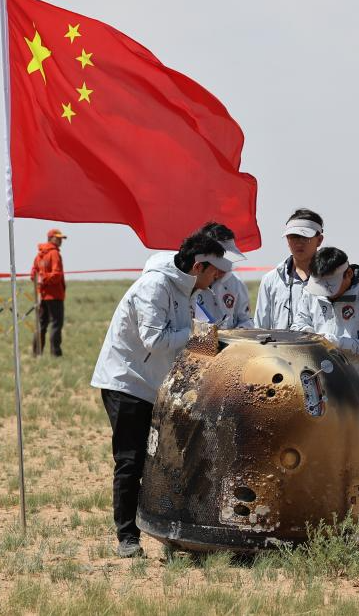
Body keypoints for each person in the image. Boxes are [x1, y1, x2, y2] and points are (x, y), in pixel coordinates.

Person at [91, 233, 230, 558]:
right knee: (131, 460)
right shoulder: (154, 287)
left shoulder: (189, 290)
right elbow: (154, 339)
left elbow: (191, 340)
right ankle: (128, 537)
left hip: (158, 385)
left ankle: (170, 532)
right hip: (126, 382)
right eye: (213, 273)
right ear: (198, 266)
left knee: (165, 460)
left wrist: (214, 341)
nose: (215, 281)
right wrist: (205, 336)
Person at [292, 247, 359, 431]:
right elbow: (298, 324)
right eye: (321, 285)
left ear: (348, 274)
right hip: (317, 393)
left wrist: (339, 344)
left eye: (330, 285)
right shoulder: (311, 293)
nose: (326, 292)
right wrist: (309, 335)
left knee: (357, 458)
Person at [253, 209, 324, 329]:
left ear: (319, 240)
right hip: (280, 347)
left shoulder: (332, 277)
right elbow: (260, 327)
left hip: (320, 347)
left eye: (305, 237)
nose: (299, 243)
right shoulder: (271, 279)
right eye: (293, 237)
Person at [192, 222, 252, 329]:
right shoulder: (188, 283)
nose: (221, 271)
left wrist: (237, 333)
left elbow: (246, 319)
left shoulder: (236, 283)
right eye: (220, 262)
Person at [31, 228, 67, 356]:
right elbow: (57, 275)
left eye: (61, 238)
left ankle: (36, 353)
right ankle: (55, 354)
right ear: (51, 238)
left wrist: (41, 280)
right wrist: (45, 279)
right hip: (55, 295)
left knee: (42, 324)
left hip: (43, 295)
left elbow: (33, 275)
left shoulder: (39, 254)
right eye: (58, 238)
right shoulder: (54, 254)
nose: (60, 241)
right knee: (56, 324)